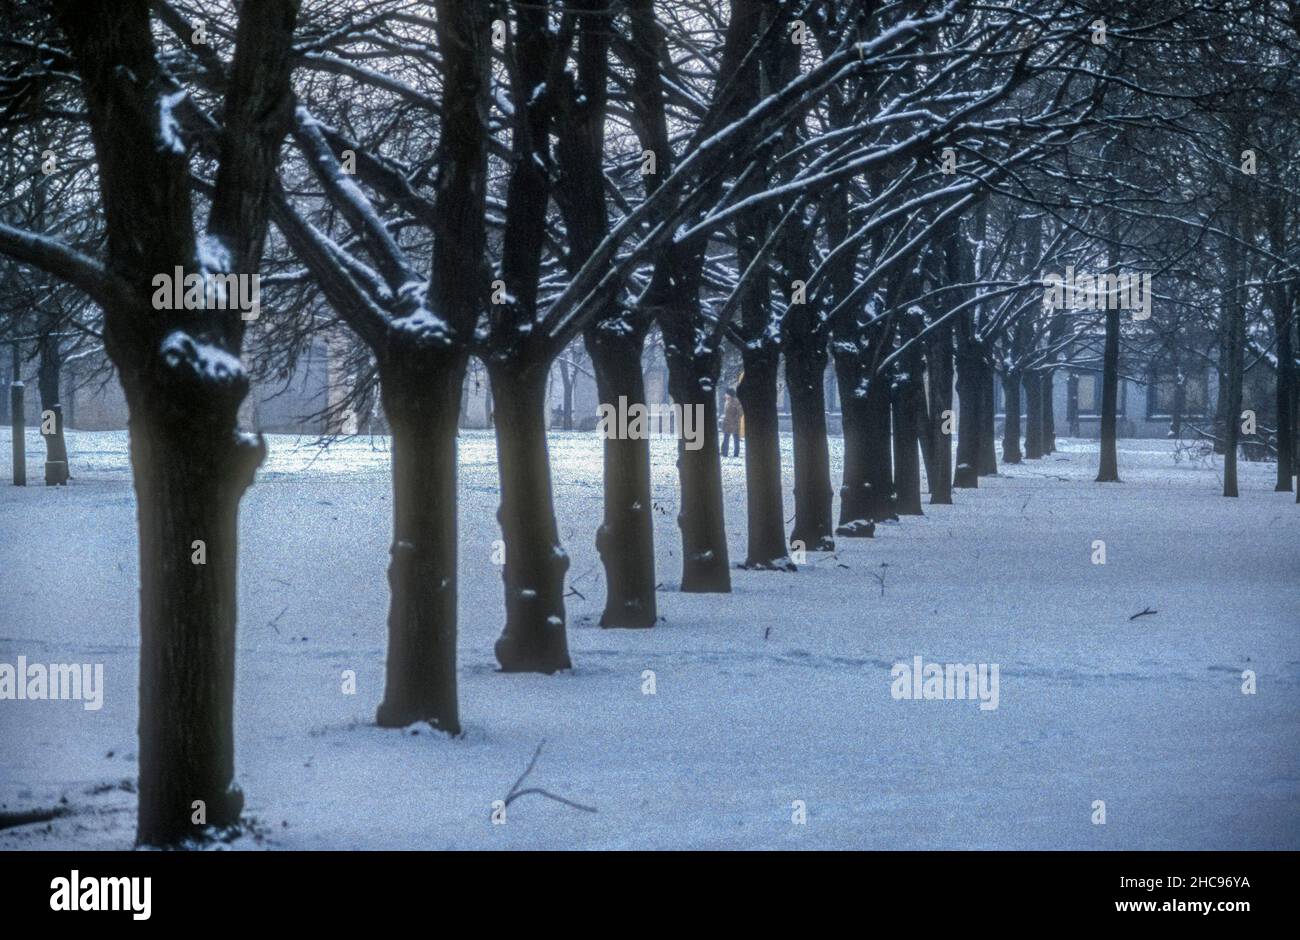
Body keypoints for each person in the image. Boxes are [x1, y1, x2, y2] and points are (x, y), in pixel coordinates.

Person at [721, 387, 742, 457]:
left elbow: (740, 413)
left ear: (729, 394)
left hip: (734, 423)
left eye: (726, 394)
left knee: (735, 439)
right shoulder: (727, 401)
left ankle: (736, 454)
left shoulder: (736, 402)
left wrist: (735, 420)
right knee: (726, 438)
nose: (725, 395)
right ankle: (724, 453)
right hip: (727, 423)